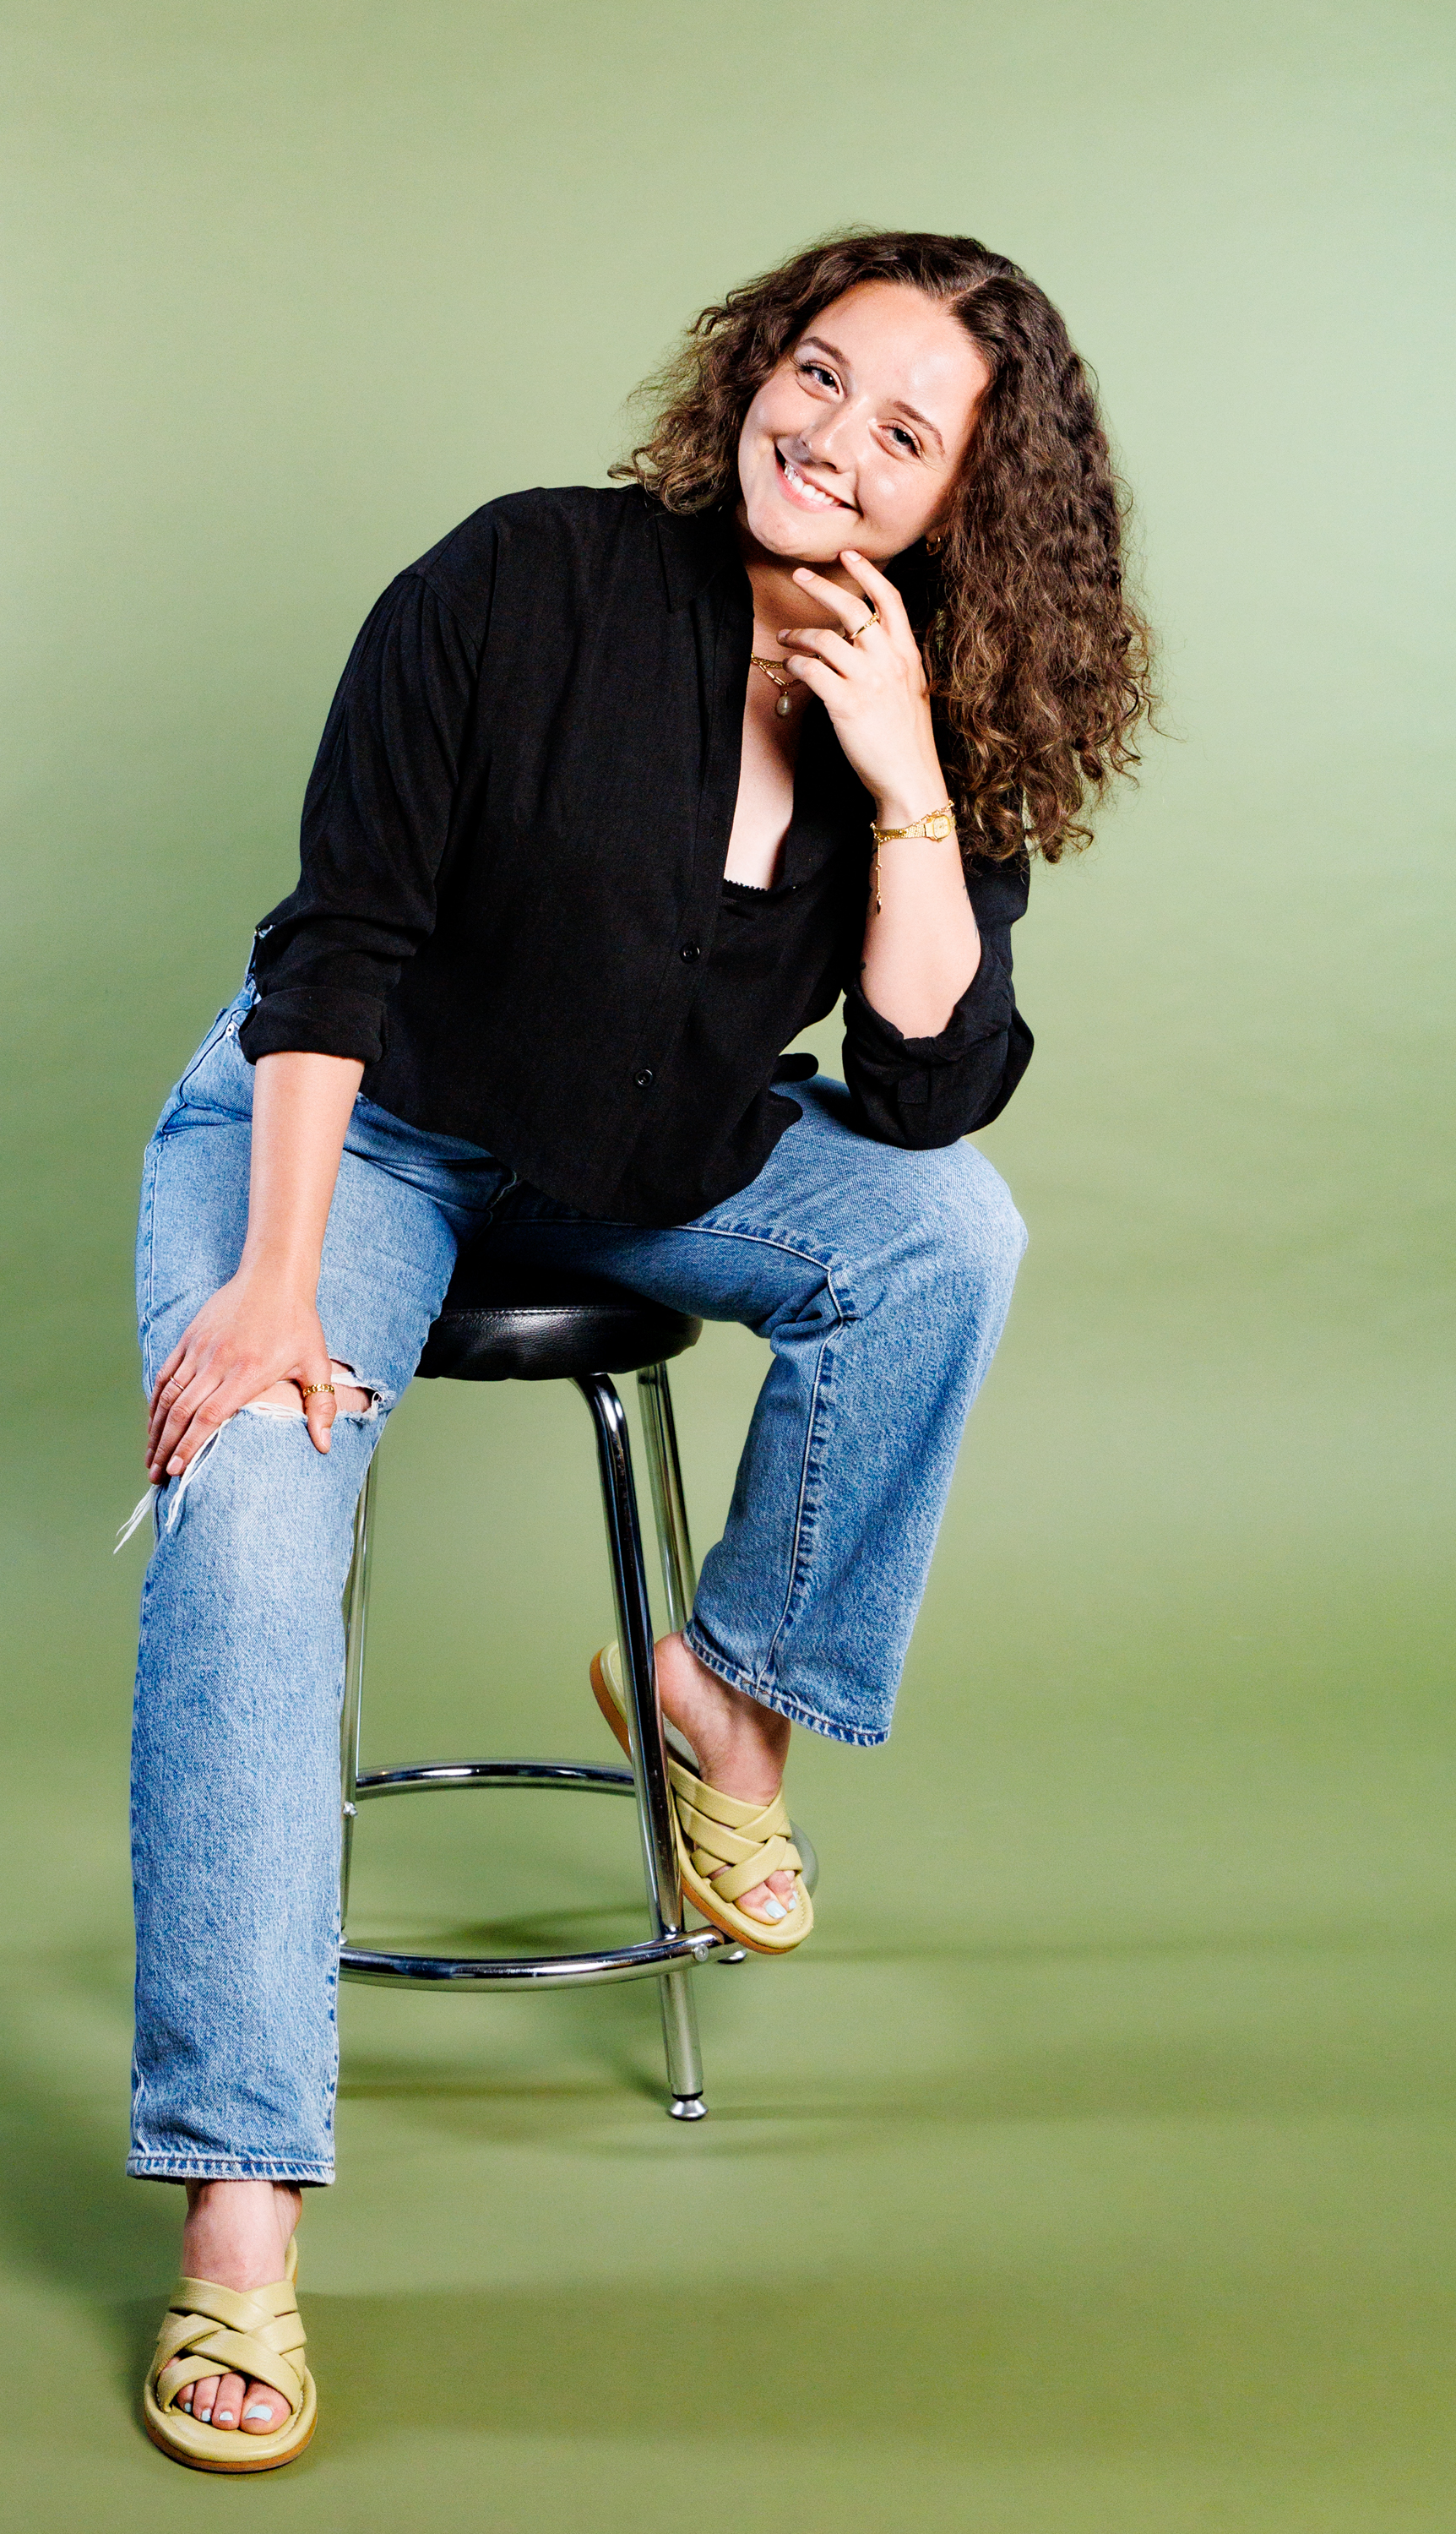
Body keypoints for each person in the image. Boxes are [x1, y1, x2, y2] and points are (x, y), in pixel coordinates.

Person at [128, 228, 1154, 2470]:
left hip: (649, 1155)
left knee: (947, 1238)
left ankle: (725, 1694)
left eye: (907, 430)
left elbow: (911, 1095)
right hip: (356, 1130)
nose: (833, 435)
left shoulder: (931, 720)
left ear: (968, 503)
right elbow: (338, 954)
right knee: (249, 1517)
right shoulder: (527, 585)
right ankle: (236, 2219)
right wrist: (272, 1285)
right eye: (816, 373)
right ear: (746, 375)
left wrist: (903, 782)